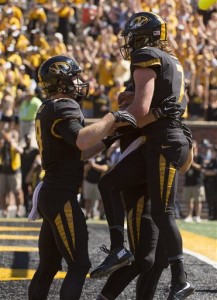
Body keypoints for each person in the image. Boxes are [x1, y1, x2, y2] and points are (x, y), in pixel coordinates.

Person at [90, 12, 195, 300]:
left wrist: (114, 118)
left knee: (154, 245)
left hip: (160, 147)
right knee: (148, 257)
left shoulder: (148, 56)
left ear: (143, 36)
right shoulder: (173, 66)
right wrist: (150, 111)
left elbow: (137, 112)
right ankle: (124, 254)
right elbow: (156, 111)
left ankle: (178, 279)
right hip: (159, 148)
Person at [27, 54, 137, 300]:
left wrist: (110, 137)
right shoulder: (64, 105)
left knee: (48, 266)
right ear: (61, 82)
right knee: (79, 264)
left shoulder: (49, 107)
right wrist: (113, 117)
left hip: (52, 192)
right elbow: (83, 139)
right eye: (74, 77)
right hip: (60, 194)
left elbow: (82, 152)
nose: (79, 82)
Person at [183, 140, 205, 223]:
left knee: (198, 201)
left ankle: (198, 217)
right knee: (188, 201)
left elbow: (201, 168)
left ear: (196, 148)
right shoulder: (186, 157)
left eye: (193, 147)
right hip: (188, 182)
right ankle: (189, 216)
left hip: (198, 183)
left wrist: (191, 163)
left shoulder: (200, 157)